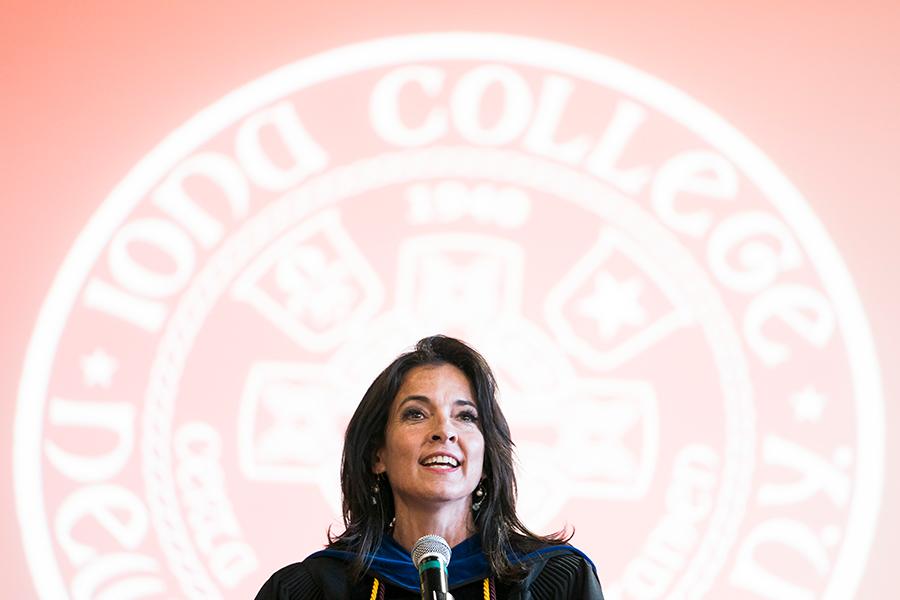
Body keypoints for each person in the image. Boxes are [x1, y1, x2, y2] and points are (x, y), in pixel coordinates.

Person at [255, 335, 604, 599]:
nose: (444, 431)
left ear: (485, 461)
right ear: (378, 455)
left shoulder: (553, 580)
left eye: (466, 416)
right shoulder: (311, 590)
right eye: (416, 414)